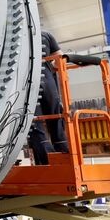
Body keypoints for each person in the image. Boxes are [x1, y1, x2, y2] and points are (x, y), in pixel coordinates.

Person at [28, 30, 70, 165]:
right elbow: (60, 60)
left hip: (28, 83)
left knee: (34, 122)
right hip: (48, 82)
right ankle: (63, 153)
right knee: (56, 117)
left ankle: (45, 160)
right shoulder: (45, 35)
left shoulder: (15, 36)